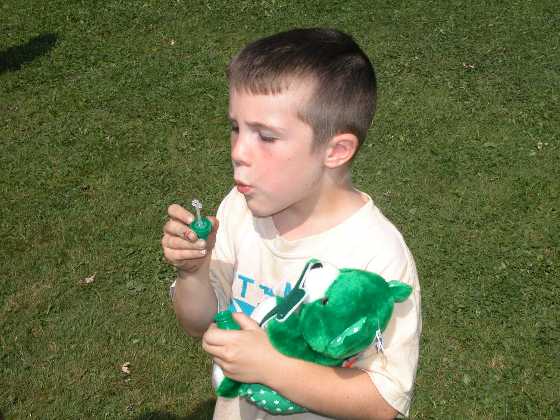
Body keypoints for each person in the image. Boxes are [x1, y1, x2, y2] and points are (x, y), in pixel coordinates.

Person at [162, 28, 421, 419]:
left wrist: (271, 367)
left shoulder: (377, 254)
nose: (238, 151)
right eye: (236, 128)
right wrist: (193, 271)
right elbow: (199, 323)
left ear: (335, 150)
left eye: (266, 137)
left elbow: (383, 402)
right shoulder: (238, 210)